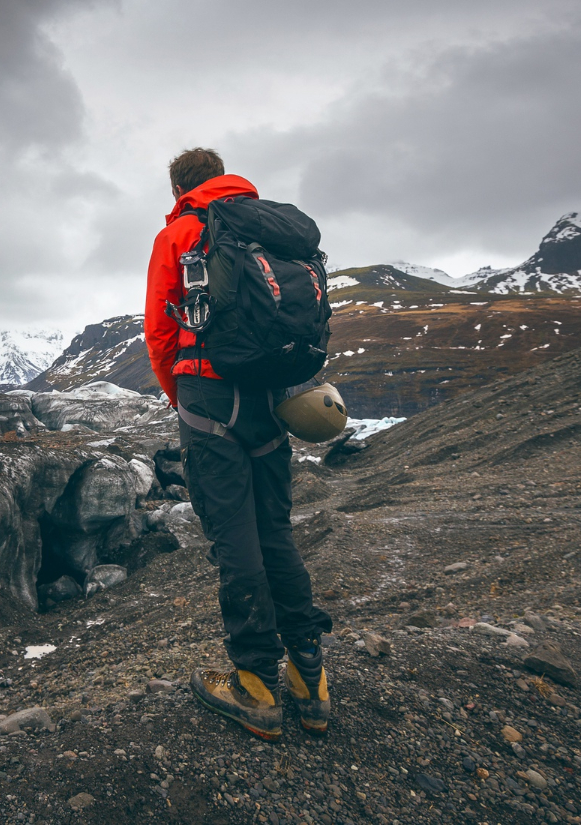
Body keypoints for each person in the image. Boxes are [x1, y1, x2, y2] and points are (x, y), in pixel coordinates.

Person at [143, 147, 333, 741]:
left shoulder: (181, 231)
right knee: (275, 529)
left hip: (209, 392)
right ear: (224, 176)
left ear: (179, 186)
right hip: (271, 393)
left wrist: (184, 398)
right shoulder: (275, 227)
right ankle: (310, 681)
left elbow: (158, 330)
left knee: (234, 539)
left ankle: (254, 684)